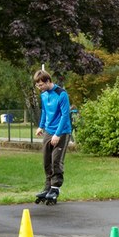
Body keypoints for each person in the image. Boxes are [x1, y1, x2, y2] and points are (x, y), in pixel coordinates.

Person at [33, 70, 72, 205]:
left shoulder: (61, 94)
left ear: (48, 81)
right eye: (38, 86)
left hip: (62, 131)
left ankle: (55, 188)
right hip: (49, 131)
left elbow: (65, 115)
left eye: (41, 85)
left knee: (56, 161)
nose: (40, 88)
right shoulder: (44, 95)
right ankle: (47, 187)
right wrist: (41, 126)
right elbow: (44, 111)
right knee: (46, 161)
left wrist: (57, 134)